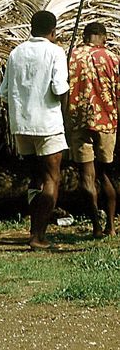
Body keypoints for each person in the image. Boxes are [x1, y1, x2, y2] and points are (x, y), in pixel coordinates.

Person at [0, 10, 69, 250]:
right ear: (54, 31)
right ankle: (38, 235)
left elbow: (4, 93)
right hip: (47, 123)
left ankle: (33, 228)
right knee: (52, 179)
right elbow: (60, 88)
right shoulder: (55, 52)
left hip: (21, 124)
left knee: (35, 178)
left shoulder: (15, 53)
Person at [68, 22, 119, 237]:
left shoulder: (71, 56)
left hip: (79, 121)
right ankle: (111, 227)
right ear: (104, 38)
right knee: (105, 173)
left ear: (85, 36)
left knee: (87, 177)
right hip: (106, 120)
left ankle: (96, 227)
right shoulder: (113, 58)